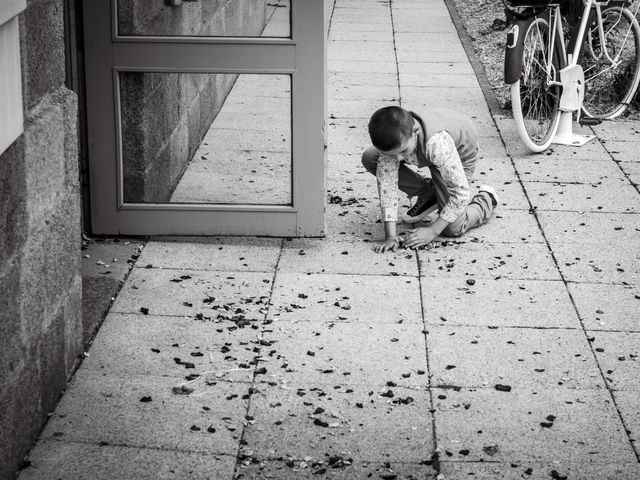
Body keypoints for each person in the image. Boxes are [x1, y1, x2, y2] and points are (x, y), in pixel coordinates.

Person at [361, 106, 498, 253]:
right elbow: (387, 185)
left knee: (453, 228)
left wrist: (433, 231)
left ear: (415, 132)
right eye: (392, 155)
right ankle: (430, 194)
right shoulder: (402, 143)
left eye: (403, 152)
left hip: (459, 151)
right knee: (372, 157)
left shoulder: (437, 144)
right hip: (432, 152)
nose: (399, 159)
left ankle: (486, 199)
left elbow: (460, 193)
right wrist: (390, 236)